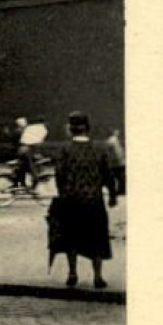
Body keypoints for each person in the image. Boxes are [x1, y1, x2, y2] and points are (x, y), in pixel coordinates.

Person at [46, 111, 119, 288]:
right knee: (97, 237)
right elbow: (107, 174)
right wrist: (112, 195)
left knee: (71, 237)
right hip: (93, 200)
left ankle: (72, 273)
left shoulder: (64, 150)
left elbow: (59, 174)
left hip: (71, 200)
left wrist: (64, 192)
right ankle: (98, 276)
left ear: (71, 130)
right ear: (87, 129)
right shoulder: (99, 149)